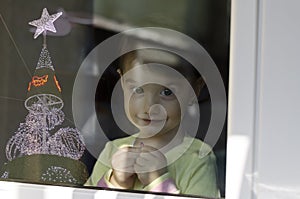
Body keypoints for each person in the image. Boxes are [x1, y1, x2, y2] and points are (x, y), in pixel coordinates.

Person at [85, 49, 220, 198]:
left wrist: (159, 183)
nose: (149, 107)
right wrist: (116, 183)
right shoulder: (113, 151)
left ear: (195, 90)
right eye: (138, 90)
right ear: (122, 83)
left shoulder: (197, 158)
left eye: (167, 92)